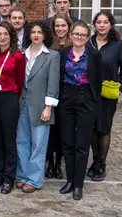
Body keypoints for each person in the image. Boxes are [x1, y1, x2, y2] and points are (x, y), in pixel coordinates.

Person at [58, 21, 102, 201]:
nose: (79, 37)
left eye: (83, 35)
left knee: (82, 145)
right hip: (66, 99)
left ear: (87, 37)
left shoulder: (94, 55)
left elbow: (98, 80)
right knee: (68, 143)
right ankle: (69, 180)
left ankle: (78, 184)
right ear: (70, 35)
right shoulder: (62, 54)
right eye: (76, 34)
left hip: (85, 100)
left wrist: (93, 101)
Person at [86, 11, 122, 182]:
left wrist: (120, 88)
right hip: (88, 92)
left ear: (111, 24)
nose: (102, 25)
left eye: (105, 22)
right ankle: (94, 159)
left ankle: (101, 163)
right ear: (94, 24)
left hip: (107, 94)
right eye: (99, 22)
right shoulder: (88, 43)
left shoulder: (118, 45)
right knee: (91, 127)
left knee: (103, 128)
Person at [15, 20, 60, 193]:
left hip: (42, 106)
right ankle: (22, 175)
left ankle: (34, 179)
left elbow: (53, 84)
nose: (36, 35)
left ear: (45, 35)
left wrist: (48, 107)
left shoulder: (52, 56)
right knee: (22, 141)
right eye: (33, 32)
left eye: (39, 32)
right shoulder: (21, 54)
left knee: (38, 143)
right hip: (22, 104)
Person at [0, 21, 25, 195]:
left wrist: (11, 97)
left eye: (5, 34)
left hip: (9, 98)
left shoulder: (17, 55)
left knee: (9, 140)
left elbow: (20, 80)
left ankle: (9, 178)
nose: (2, 37)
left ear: (11, 36)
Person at [45, 13, 73, 180]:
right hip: (50, 93)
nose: (60, 29)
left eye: (63, 26)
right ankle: (49, 162)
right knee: (50, 131)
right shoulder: (49, 46)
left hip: (66, 95)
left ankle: (58, 164)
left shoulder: (73, 46)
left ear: (68, 27)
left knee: (63, 131)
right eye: (57, 26)